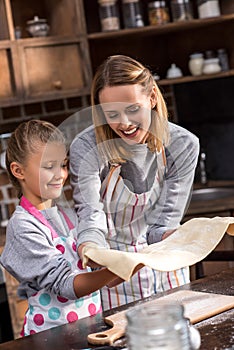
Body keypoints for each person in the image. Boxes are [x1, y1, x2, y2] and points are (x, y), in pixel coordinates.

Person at [69, 54, 200, 311]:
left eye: (132, 109)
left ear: (151, 98)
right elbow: (91, 216)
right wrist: (91, 249)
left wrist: (190, 236)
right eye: (112, 113)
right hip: (115, 276)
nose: (125, 123)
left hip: (166, 266)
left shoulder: (182, 144)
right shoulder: (86, 148)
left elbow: (161, 226)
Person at [0, 119, 132, 335]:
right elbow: (66, 285)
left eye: (62, 165)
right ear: (18, 170)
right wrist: (112, 271)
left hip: (89, 333)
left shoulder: (69, 215)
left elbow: (99, 271)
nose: (60, 174)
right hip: (51, 339)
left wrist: (133, 262)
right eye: (48, 166)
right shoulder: (23, 226)